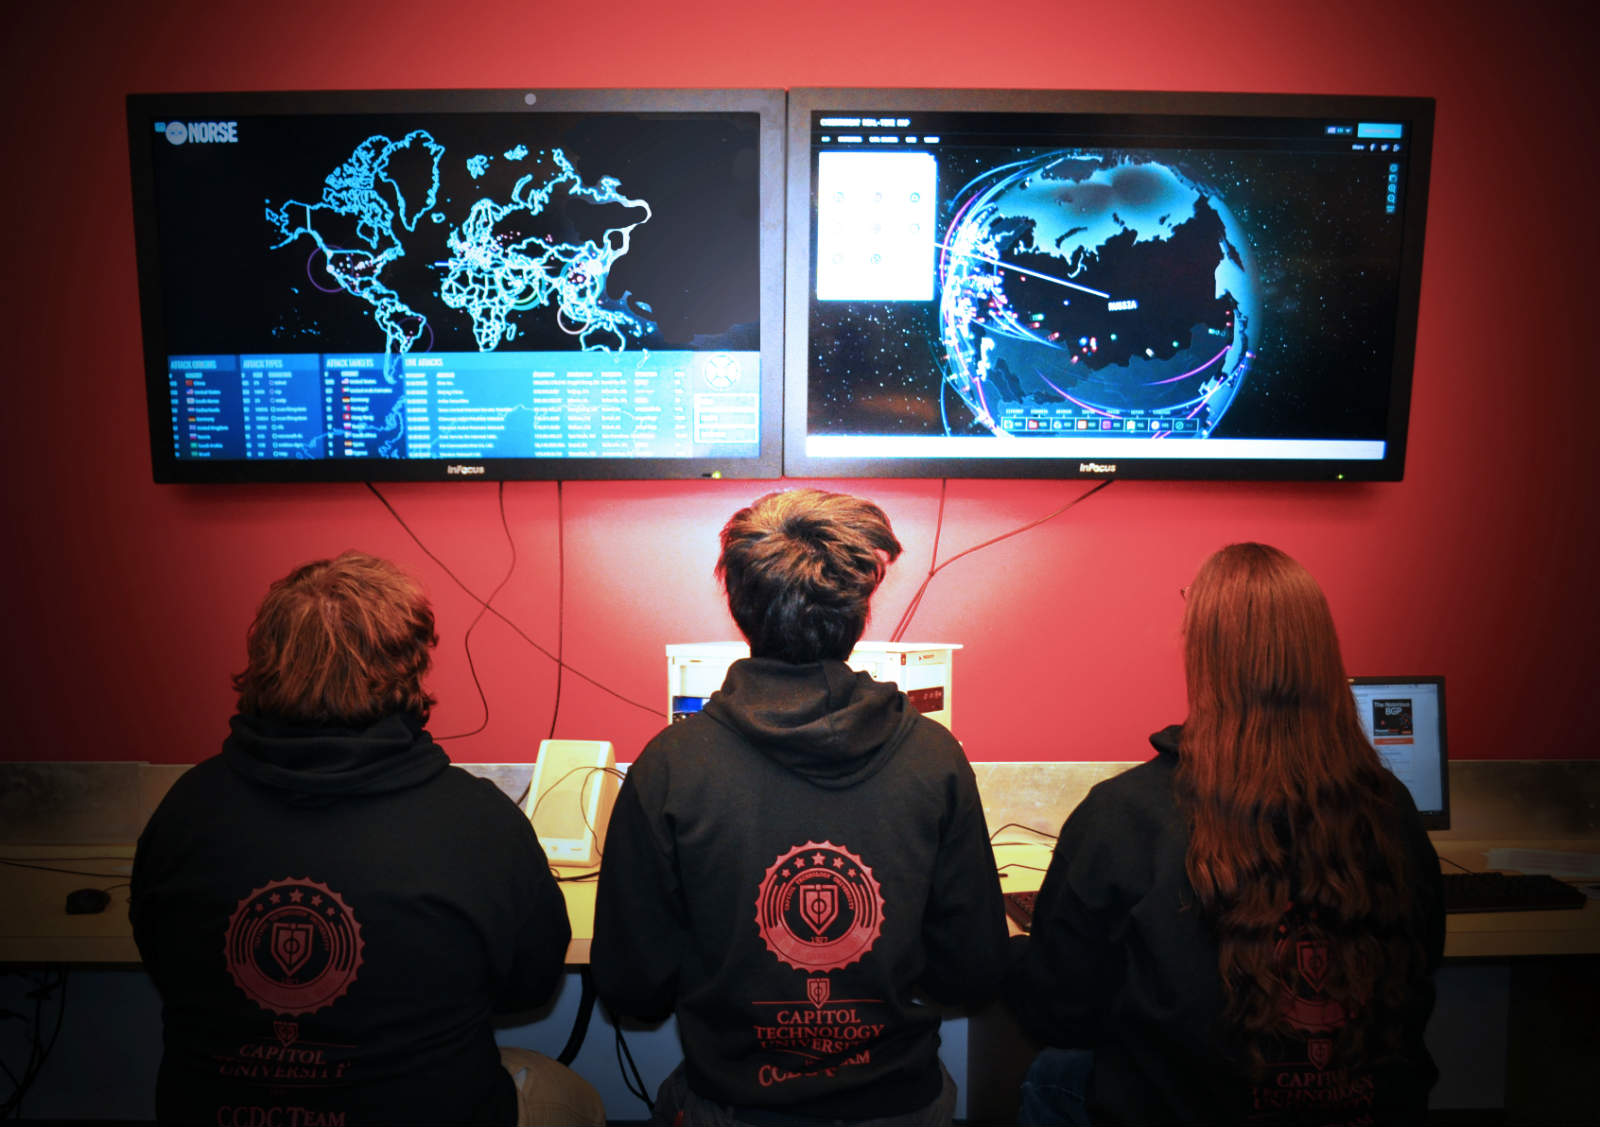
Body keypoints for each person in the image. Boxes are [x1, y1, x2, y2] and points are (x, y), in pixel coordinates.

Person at [591, 488, 1009, 1125]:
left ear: (738, 602)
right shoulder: (935, 756)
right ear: (858, 608)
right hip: (900, 1102)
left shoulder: (671, 765)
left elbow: (632, 992)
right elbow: (971, 975)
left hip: (733, 1102)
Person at [131, 551, 582, 1125]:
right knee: (574, 1099)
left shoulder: (184, 812)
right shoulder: (479, 822)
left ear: (265, 662)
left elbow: (164, 961)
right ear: (410, 667)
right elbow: (530, 987)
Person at [1008, 542, 1445, 1126]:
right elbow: (1423, 973)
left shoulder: (1124, 814)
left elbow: (1058, 1015)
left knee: (1052, 1073)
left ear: (1202, 654)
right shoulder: (1391, 809)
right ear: (1320, 655)